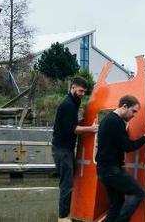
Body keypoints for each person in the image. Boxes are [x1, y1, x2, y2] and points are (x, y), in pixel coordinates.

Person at [96, 94, 145, 222]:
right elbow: (127, 146)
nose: (134, 115)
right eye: (133, 111)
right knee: (137, 193)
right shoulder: (115, 122)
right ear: (124, 106)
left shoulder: (109, 120)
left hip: (105, 170)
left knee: (116, 204)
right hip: (111, 170)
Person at [52, 76, 98, 222]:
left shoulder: (74, 102)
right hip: (62, 150)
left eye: (84, 92)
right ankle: (63, 217)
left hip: (66, 148)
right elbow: (74, 129)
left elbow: (72, 123)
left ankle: (67, 213)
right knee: (66, 183)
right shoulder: (68, 105)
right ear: (73, 87)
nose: (82, 94)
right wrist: (91, 128)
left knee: (69, 182)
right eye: (80, 91)